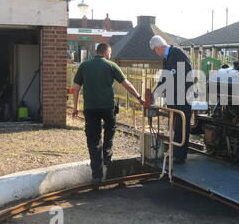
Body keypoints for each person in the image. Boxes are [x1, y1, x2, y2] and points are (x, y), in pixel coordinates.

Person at [72, 43, 144, 185]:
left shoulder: (84, 66)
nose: (110, 56)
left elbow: (75, 88)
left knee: (93, 141)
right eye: (110, 53)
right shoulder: (111, 65)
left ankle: (97, 176)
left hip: (90, 109)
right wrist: (140, 98)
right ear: (106, 53)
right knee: (110, 131)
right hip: (107, 107)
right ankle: (107, 155)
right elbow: (127, 84)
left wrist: (76, 107)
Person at [149, 35, 192, 164]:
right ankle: (176, 152)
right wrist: (154, 95)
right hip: (173, 97)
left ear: (159, 47)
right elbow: (164, 78)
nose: (156, 53)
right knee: (175, 125)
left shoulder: (177, 53)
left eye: (155, 50)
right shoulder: (167, 58)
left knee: (181, 125)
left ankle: (180, 155)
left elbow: (188, 73)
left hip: (182, 97)